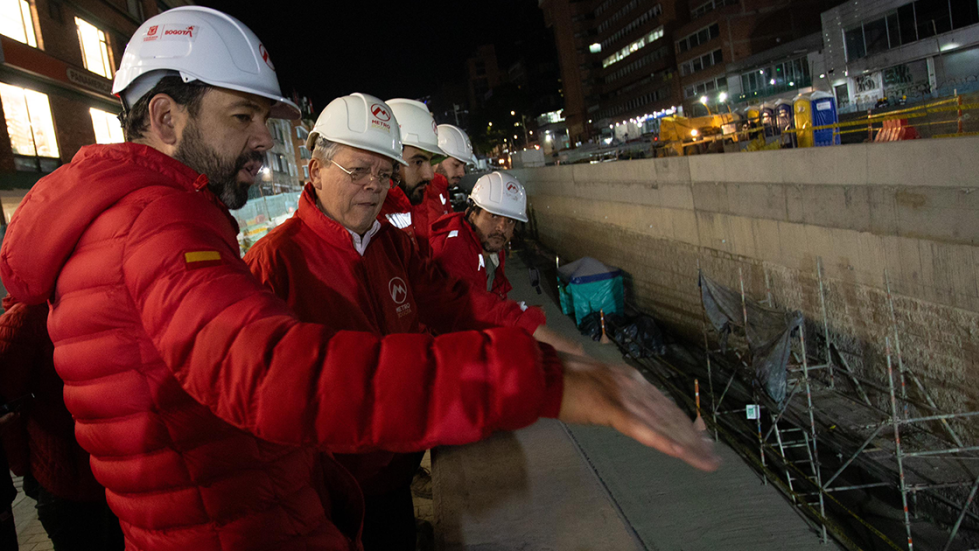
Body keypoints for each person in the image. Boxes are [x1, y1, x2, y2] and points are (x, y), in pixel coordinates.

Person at [0, 6, 717, 551]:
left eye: (387, 169)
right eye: (243, 115)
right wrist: (534, 378)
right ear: (163, 115)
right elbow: (279, 376)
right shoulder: (166, 230)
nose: (260, 137)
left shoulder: (139, 223)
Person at [243, 93, 582, 549]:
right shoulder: (275, 263)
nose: (374, 185)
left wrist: (529, 328)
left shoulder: (392, 247)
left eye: (384, 173)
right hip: (330, 493)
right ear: (316, 170)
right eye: (358, 170)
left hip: (395, 468)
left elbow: (454, 300)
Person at [0, 297, 124, 550]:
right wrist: (24, 465)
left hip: (108, 472)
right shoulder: (26, 319)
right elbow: (6, 407)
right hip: (68, 477)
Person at [431, 172, 529, 301]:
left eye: (510, 221)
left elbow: (495, 296)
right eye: (494, 216)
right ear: (472, 214)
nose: (502, 227)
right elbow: (468, 310)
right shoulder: (454, 250)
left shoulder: (493, 248)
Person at [377, 99, 442, 253]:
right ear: (389, 159)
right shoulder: (367, 218)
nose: (430, 175)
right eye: (418, 161)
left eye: (430, 161)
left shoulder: (414, 202)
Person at [424, 124, 472, 224]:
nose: (462, 173)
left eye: (464, 166)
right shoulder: (423, 197)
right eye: (456, 165)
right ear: (435, 160)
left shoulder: (441, 191)